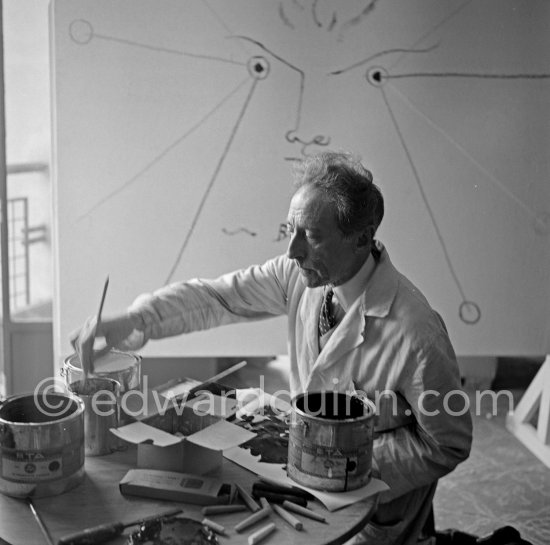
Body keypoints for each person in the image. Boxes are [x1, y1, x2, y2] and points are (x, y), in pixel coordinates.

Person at [72, 150, 472, 545]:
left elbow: (447, 443)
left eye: (312, 236)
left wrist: (344, 462)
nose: (292, 251)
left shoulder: (416, 332)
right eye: (290, 231)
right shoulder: (300, 275)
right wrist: (134, 320)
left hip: (376, 506)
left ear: (362, 238)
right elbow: (215, 298)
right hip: (303, 486)